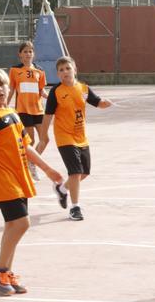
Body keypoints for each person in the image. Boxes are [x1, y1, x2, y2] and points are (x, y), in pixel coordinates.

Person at [0, 68, 63, 295]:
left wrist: (48, 169)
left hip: (18, 177)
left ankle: (6, 272)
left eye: (2, 85)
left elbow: (27, 146)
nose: (0, 89)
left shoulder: (11, 113)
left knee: (12, 225)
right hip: (2, 179)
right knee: (22, 223)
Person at [38, 56, 112, 221]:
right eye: (61, 70)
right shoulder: (56, 93)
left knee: (84, 173)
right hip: (65, 137)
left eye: (68, 68)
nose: (65, 72)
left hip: (81, 136)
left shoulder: (83, 89)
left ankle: (62, 190)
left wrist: (104, 103)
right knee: (75, 172)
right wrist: (44, 136)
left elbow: (97, 102)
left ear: (75, 70)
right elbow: (48, 115)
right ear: (58, 75)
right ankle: (75, 208)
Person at [7, 41, 47, 181]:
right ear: (20, 54)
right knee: (31, 140)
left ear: (33, 54)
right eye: (25, 51)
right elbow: (11, 89)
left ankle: (32, 162)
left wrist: (52, 97)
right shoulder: (15, 70)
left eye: (30, 51)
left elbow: (41, 90)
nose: (28, 54)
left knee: (45, 139)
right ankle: (29, 167)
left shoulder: (40, 71)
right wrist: (5, 105)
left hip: (38, 110)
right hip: (24, 110)